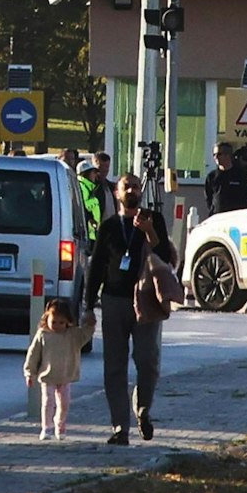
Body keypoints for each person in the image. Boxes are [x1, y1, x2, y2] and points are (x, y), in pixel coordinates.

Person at [83, 173, 177, 445]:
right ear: (117, 193)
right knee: (114, 366)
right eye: (127, 187)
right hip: (114, 300)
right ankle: (119, 428)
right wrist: (88, 306)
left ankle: (143, 409)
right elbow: (97, 265)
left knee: (147, 361)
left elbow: (165, 258)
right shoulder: (110, 226)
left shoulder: (153, 219)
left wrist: (148, 231)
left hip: (147, 300)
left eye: (136, 186)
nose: (133, 190)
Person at [22, 299, 95, 441]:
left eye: (61, 323)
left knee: (64, 403)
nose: (57, 326)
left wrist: (90, 325)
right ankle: (46, 427)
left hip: (65, 376)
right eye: (53, 322)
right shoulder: (43, 335)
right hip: (47, 376)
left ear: (67, 321)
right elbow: (33, 355)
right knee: (47, 402)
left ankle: (60, 424)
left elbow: (85, 334)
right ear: (46, 318)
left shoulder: (73, 335)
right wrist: (29, 373)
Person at [205, 142, 247, 216]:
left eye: (219, 154)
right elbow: (209, 198)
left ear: (228, 155)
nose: (216, 157)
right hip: (217, 216)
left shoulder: (240, 175)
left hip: (236, 217)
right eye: (214, 154)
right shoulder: (211, 176)